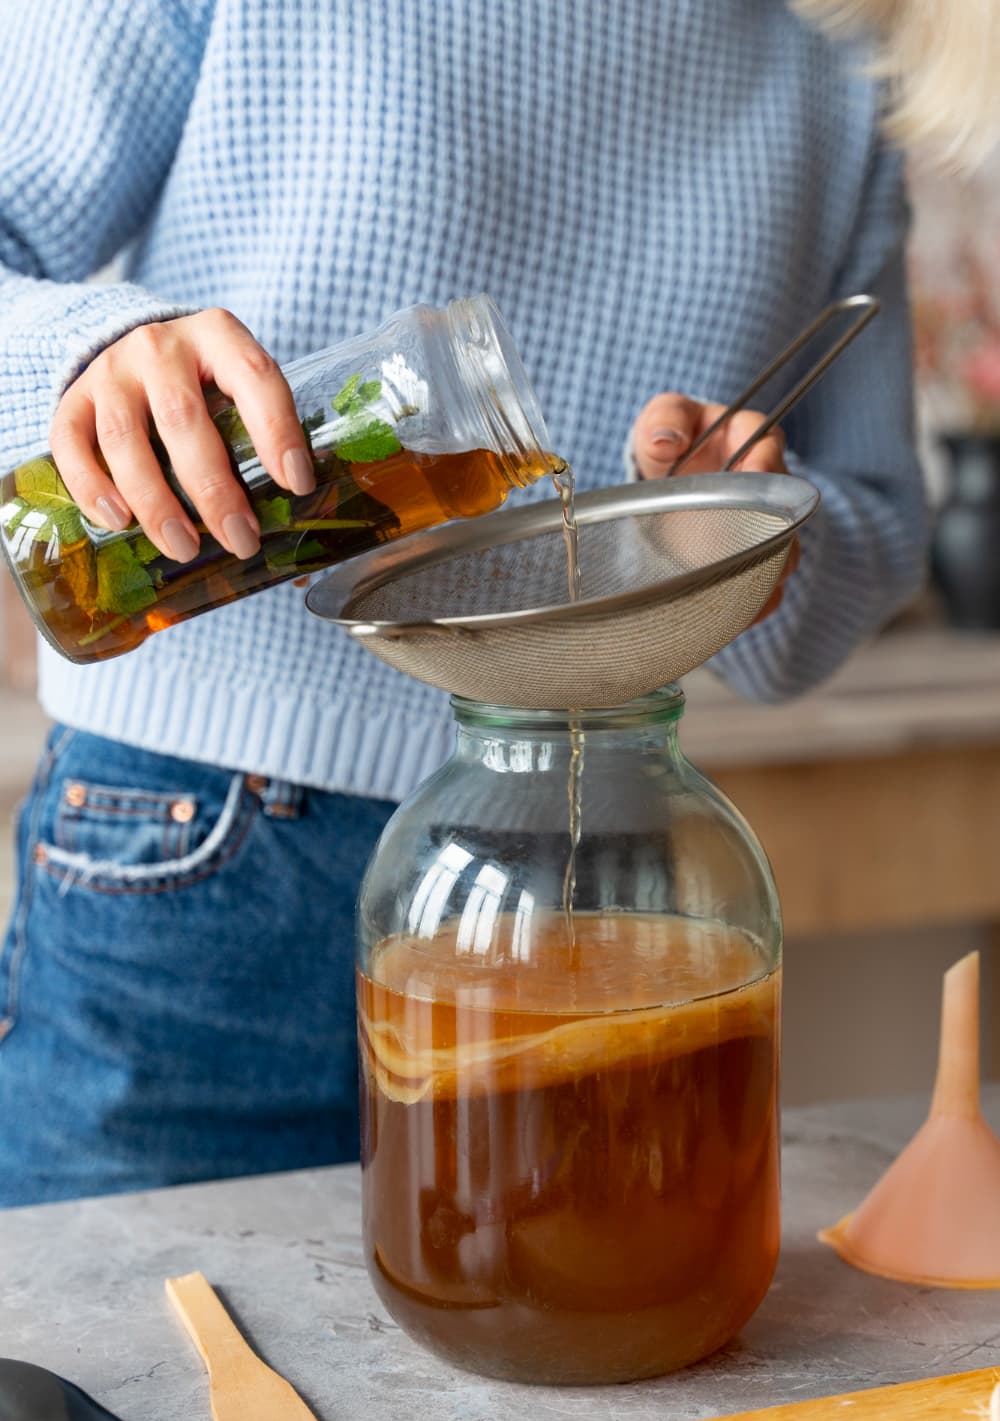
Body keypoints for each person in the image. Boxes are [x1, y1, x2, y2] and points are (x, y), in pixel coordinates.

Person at [0, 0, 985, 1208]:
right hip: (199, 853)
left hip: (590, 864)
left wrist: (736, 532)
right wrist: (91, 356)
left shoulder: (858, 44)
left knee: (542, 1320)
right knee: (120, 1320)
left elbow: (866, 545)